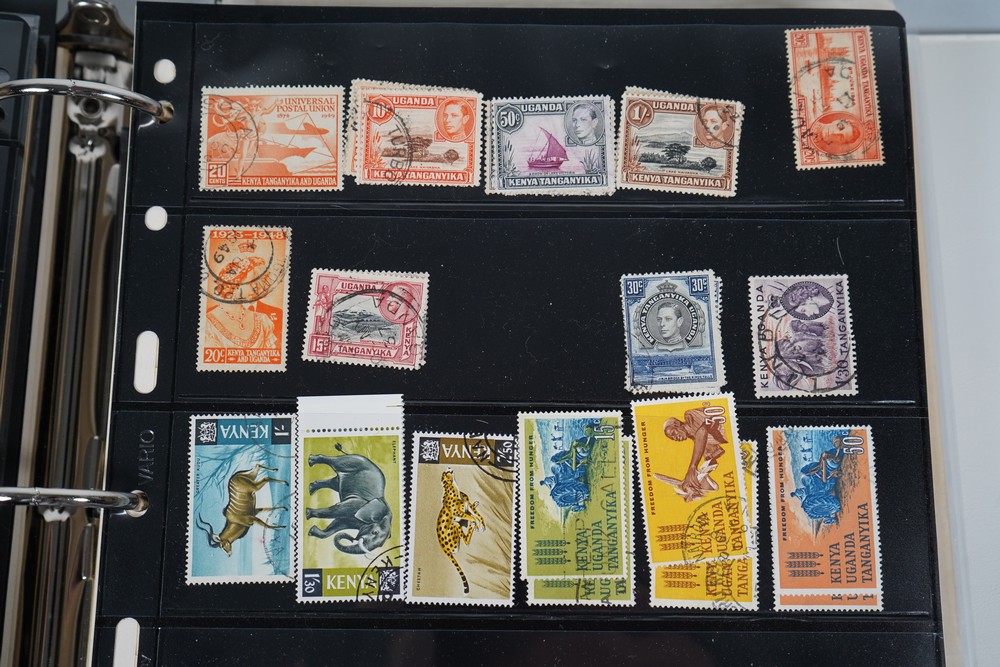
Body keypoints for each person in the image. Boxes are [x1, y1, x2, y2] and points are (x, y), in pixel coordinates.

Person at [654, 408, 728, 502]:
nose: (675, 438)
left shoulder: (690, 416)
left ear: (677, 423)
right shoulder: (702, 445)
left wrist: (692, 468)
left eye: (673, 433)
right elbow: (711, 461)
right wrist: (697, 480)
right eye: (672, 438)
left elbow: (702, 431)